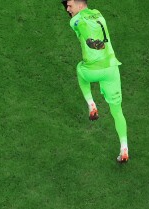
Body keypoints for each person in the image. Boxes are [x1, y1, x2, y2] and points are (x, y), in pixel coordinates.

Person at [62, 0, 129, 162]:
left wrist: (92, 43)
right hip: (112, 69)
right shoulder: (99, 13)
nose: (68, 10)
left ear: (79, 3)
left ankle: (91, 104)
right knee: (117, 111)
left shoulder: (75, 21)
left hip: (92, 71)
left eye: (70, 5)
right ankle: (124, 148)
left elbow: (84, 28)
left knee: (80, 69)